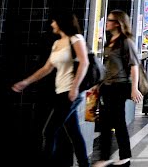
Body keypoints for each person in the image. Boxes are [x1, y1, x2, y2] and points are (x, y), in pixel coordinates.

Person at [12, 9, 91, 167]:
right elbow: (47, 68)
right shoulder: (57, 43)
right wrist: (26, 82)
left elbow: (85, 62)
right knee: (74, 133)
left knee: (49, 131)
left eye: (54, 21)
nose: (52, 24)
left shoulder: (76, 39)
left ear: (62, 23)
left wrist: (75, 87)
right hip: (60, 92)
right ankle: (84, 164)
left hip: (70, 93)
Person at [95, 9, 142, 167]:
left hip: (119, 87)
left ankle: (125, 156)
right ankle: (105, 157)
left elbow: (134, 66)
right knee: (106, 123)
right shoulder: (111, 40)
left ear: (118, 23)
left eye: (109, 20)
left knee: (118, 122)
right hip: (107, 86)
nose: (106, 22)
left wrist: (134, 89)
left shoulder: (126, 41)